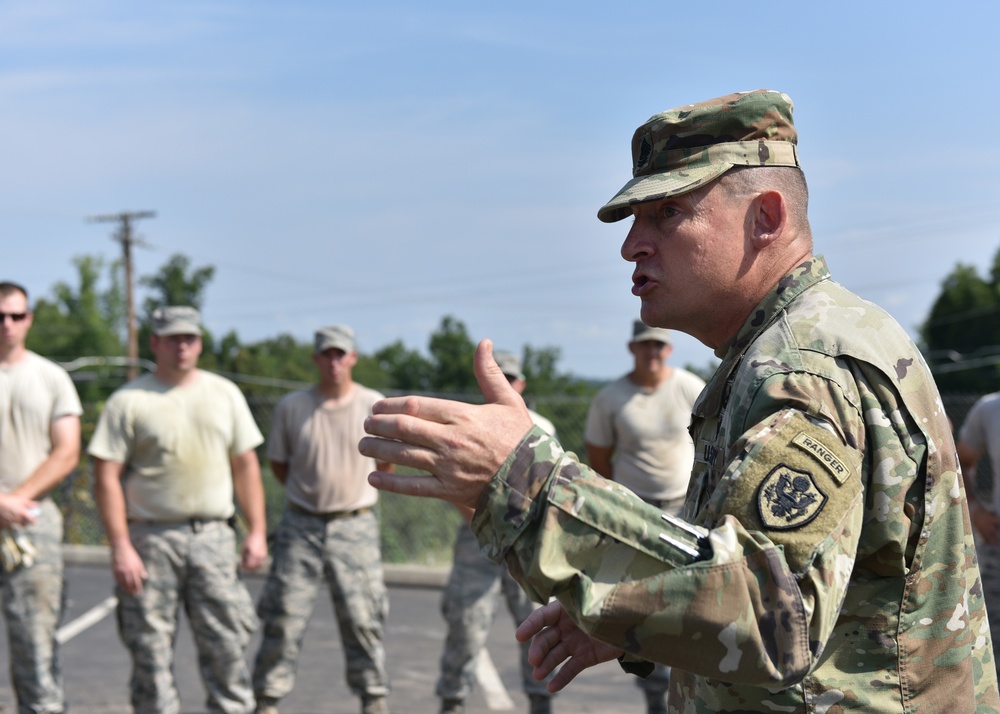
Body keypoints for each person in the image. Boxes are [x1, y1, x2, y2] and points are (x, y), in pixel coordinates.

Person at [359, 89, 1000, 712]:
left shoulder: (805, 366)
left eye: (667, 213)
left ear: (766, 219)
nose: (632, 244)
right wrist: (627, 613)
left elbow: (772, 614)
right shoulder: (774, 351)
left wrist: (525, 485)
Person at [90, 305, 267, 714]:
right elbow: (105, 478)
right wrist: (120, 546)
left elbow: (246, 466)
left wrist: (257, 530)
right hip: (150, 541)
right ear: (155, 343)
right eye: (172, 338)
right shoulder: (128, 401)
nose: (181, 346)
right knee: (150, 655)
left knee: (227, 648)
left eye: (189, 338)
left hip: (213, 538)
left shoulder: (224, 394)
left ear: (200, 343)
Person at [252, 325, 391, 714]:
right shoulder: (292, 407)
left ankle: (373, 699)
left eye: (340, 354)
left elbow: (387, 462)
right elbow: (280, 466)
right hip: (302, 526)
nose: (334, 361)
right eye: (326, 354)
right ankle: (267, 700)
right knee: (283, 616)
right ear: (315, 359)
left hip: (355, 524)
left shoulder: (373, 404)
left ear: (353, 358)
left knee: (364, 618)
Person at [583, 321, 704, 714]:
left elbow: (713, 439)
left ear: (668, 349)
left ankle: (695, 694)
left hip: (688, 510)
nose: (651, 352)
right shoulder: (612, 397)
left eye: (658, 345)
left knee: (694, 604)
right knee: (644, 609)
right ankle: (659, 700)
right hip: (638, 514)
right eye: (644, 346)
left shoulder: (689, 386)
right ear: (632, 349)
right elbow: (599, 458)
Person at [437, 350, 556, 714]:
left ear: (520, 384)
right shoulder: (467, 424)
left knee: (536, 624)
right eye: (497, 376)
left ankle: (541, 702)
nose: (503, 384)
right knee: (466, 624)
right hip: (478, 539)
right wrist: (485, 520)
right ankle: (452, 700)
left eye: (511, 378)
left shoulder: (541, 429)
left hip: (526, 540)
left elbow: (553, 486)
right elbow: (450, 484)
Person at [0, 281, 82, 714]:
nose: (7, 325)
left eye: (16, 315)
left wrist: (15, 500)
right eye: (0, 317)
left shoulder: (51, 378)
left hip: (33, 523)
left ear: (29, 318)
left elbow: (67, 451)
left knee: (35, 644)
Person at [957, 392, 1000, 673]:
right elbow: (960, 461)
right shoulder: (990, 408)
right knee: (988, 646)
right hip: (996, 542)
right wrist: (974, 509)